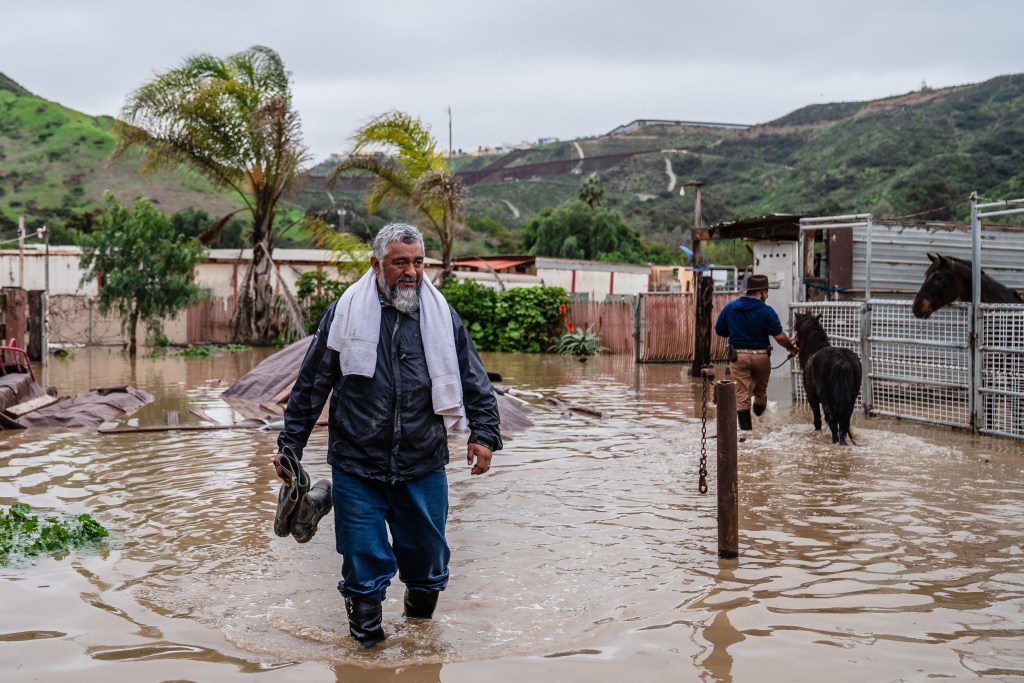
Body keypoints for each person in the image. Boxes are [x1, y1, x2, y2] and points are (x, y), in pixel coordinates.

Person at [274, 223, 502, 649]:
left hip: (423, 462)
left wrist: (484, 433)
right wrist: (290, 447)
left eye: (418, 262)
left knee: (429, 564)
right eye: (400, 262)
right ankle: (367, 657)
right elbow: (311, 385)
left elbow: (474, 379)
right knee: (362, 566)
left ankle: (419, 645)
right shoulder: (345, 313)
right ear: (376, 264)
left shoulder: (440, 315)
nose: (411, 271)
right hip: (358, 465)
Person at [713, 273, 798, 431]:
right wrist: (791, 349)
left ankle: (748, 436)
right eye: (766, 292)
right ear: (759, 292)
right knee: (760, 393)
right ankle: (760, 420)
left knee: (742, 397)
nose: (766, 296)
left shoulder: (731, 308)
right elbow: (779, 336)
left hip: (738, 357)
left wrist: (735, 332)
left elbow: (719, 329)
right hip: (761, 357)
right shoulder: (767, 311)